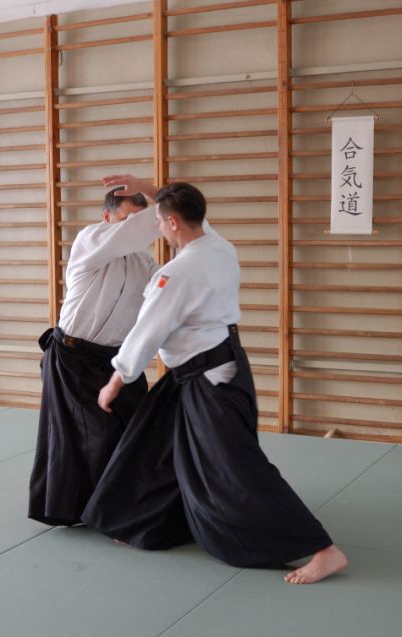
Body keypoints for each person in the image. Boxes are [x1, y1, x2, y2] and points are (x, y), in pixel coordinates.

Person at [81, 182, 348, 585]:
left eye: (159, 221)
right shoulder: (219, 247)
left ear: (173, 222)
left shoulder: (175, 274)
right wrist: (153, 190)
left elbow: (146, 333)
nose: (158, 229)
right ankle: (141, 522)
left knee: (234, 464)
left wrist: (116, 381)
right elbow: (194, 220)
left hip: (209, 380)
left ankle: (323, 549)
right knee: (151, 445)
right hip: (210, 369)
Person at [28, 180, 160, 526]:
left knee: (139, 429)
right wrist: (160, 196)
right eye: (127, 219)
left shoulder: (145, 262)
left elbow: (161, 305)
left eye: (140, 218)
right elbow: (146, 226)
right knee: (94, 437)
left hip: (117, 360)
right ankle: (96, 512)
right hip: (73, 357)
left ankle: (130, 506)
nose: (134, 228)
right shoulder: (91, 240)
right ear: (106, 217)